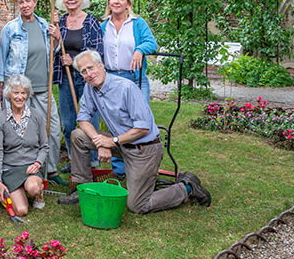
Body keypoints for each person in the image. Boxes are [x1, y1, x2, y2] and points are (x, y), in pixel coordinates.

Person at [58, 50, 211, 214]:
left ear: (101, 65)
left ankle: (187, 187)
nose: (89, 74)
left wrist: (111, 142)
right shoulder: (91, 88)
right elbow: (82, 119)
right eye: (84, 71)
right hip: (122, 144)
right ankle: (82, 189)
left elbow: (143, 128)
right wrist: (100, 142)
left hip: (143, 149)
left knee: (138, 205)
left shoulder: (126, 88)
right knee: (78, 136)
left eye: (91, 68)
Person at [0, 0, 65, 187]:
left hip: (43, 87)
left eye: (28, 1)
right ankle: (18, 170)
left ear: (34, 3)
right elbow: (1, 57)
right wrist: (1, 83)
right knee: (18, 131)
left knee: (52, 129)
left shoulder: (44, 25)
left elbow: (53, 51)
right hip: (18, 91)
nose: (25, 5)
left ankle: (50, 169)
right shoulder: (10, 28)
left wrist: (57, 37)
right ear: (17, 5)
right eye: (21, 2)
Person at [48, 0, 104, 166]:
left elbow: (97, 53)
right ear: (62, 0)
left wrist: (74, 62)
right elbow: (52, 50)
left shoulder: (91, 22)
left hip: (87, 79)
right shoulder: (60, 22)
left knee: (90, 120)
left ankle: (93, 161)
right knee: (68, 123)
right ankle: (76, 161)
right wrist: (57, 38)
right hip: (66, 78)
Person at [0, 75, 47, 216]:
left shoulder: (37, 115)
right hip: (10, 169)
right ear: (9, 94)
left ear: (27, 95)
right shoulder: (0, 119)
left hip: (31, 167)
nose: (20, 97)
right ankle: (18, 189)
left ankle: (38, 194)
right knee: (21, 211)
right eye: (16, 92)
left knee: (33, 188)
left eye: (23, 93)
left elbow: (44, 146)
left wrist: (38, 163)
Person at [102, 0, 158, 101]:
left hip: (135, 79)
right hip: (110, 80)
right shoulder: (103, 27)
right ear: (109, 3)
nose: (117, 1)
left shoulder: (138, 23)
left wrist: (139, 50)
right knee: (114, 113)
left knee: (141, 112)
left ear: (127, 4)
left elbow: (152, 43)